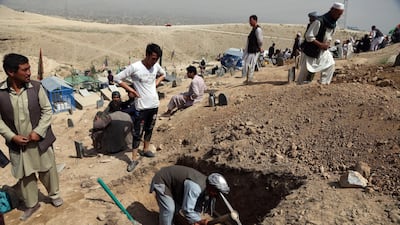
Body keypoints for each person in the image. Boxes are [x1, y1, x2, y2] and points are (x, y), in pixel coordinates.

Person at [0, 53, 63, 221]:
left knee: (47, 169)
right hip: (18, 144)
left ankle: (54, 195)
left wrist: (39, 132)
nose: (29, 73)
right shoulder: (1, 93)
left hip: (39, 141)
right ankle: (32, 204)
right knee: (25, 176)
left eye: (29, 68)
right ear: (11, 72)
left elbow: (47, 111)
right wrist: (12, 136)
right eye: (25, 70)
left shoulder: (36, 87)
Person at [113, 43, 166, 172]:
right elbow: (117, 78)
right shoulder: (135, 67)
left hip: (154, 104)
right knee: (138, 133)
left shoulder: (155, 67)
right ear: (147, 55)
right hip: (141, 107)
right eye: (153, 58)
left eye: (157, 59)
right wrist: (133, 90)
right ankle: (133, 159)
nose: (154, 62)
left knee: (149, 129)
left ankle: (146, 149)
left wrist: (155, 85)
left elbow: (163, 73)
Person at [150, 165, 230, 225]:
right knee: (169, 209)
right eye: (217, 191)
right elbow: (187, 210)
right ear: (211, 187)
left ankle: (174, 218)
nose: (218, 194)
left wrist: (197, 221)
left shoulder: (207, 188)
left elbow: (196, 207)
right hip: (163, 181)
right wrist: (199, 221)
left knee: (178, 210)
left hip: (175, 187)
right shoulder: (195, 188)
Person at [297, 2, 344, 85]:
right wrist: (321, 45)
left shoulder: (334, 23)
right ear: (332, 10)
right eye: (338, 14)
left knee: (330, 64)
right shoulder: (319, 21)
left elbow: (329, 36)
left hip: (323, 51)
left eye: (340, 14)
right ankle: (299, 88)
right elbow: (308, 36)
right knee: (305, 73)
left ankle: (324, 84)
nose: (339, 16)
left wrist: (327, 43)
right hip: (311, 51)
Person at [242, 15, 263, 84]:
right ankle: (248, 79)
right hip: (250, 50)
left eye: (250, 21)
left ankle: (250, 79)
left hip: (254, 50)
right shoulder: (253, 29)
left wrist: (259, 47)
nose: (249, 22)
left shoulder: (258, 30)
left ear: (255, 20)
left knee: (251, 65)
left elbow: (260, 40)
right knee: (247, 65)